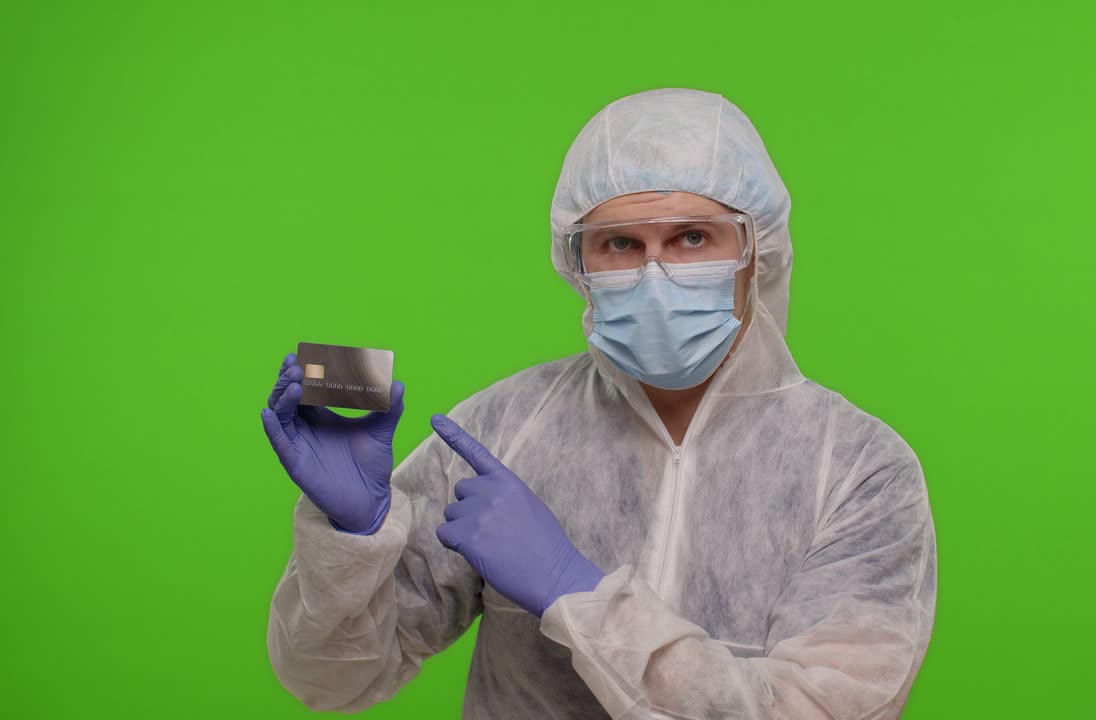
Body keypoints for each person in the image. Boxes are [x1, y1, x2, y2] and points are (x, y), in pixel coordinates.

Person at [261, 87, 937, 719]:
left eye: (692, 238)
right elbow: (331, 680)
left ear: (756, 253)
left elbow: (817, 709)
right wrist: (350, 540)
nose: (654, 274)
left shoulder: (858, 471)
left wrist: (573, 593)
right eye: (620, 244)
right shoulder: (499, 434)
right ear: (577, 267)